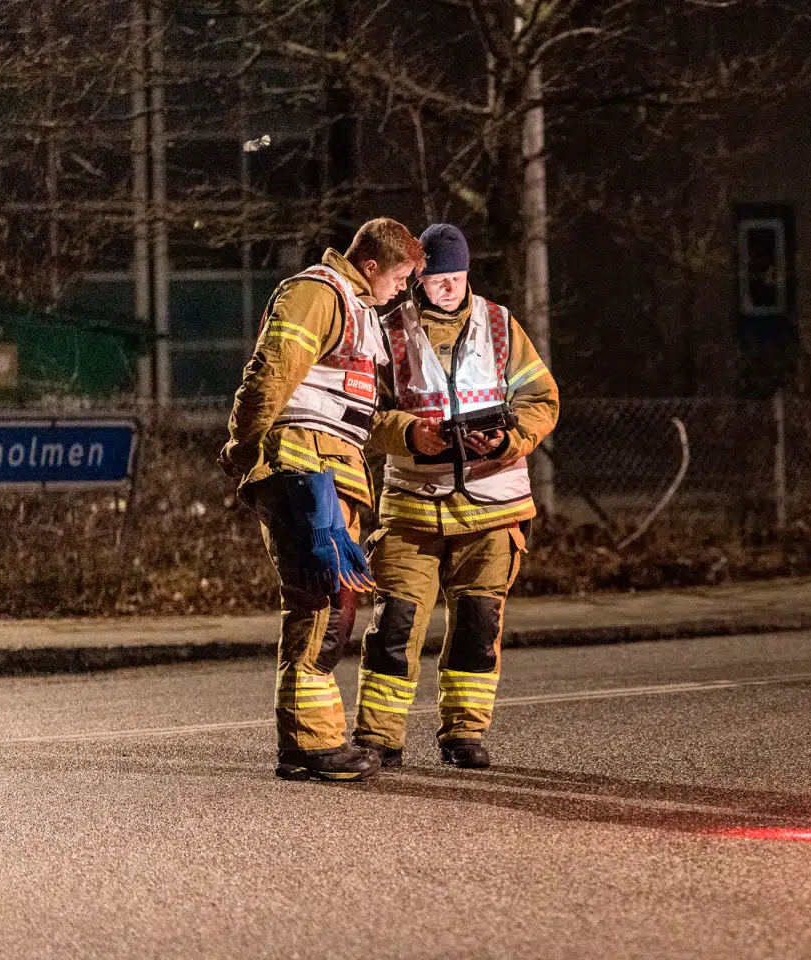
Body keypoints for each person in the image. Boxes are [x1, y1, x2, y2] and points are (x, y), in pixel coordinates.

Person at [218, 218, 425, 782]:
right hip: (305, 468)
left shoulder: (356, 309)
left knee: (331, 605)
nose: (404, 290)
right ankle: (310, 747)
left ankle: (312, 744)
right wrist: (243, 446)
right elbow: (271, 373)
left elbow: (350, 415)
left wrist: (409, 433)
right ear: (375, 265)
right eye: (403, 277)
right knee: (322, 604)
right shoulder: (319, 292)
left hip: (327, 468)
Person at [353, 222, 558, 770]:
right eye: (439, 279)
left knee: (478, 626)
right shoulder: (387, 329)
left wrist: (510, 436)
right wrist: (410, 434)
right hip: (414, 507)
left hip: (495, 506)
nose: (449, 288)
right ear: (418, 276)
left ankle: (464, 734)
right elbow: (362, 413)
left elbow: (540, 396)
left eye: (458, 277)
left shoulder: (499, 324)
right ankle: (378, 738)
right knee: (394, 624)